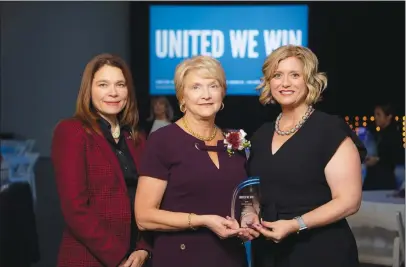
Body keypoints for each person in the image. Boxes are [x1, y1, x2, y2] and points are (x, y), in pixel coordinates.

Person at [246, 45, 366, 267]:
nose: (285, 83)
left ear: (309, 81)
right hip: (269, 253)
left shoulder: (329, 129)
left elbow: (350, 201)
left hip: (321, 251)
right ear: (268, 82)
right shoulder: (261, 135)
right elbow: (259, 192)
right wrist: (251, 217)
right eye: (277, 75)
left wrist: (295, 224)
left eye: (295, 75)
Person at [134, 55, 258, 267]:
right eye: (196, 87)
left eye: (213, 86)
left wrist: (250, 216)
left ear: (223, 92)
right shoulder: (163, 140)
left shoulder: (236, 139)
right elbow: (144, 216)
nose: (206, 95)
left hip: (230, 259)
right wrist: (203, 220)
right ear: (182, 97)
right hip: (181, 257)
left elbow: (246, 197)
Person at [51, 54, 151, 267]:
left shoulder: (136, 137)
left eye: (120, 84)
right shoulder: (72, 132)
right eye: (103, 84)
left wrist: (144, 247)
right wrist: (118, 257)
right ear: (89, 90)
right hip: (89, 258)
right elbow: (75, 208)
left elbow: (150, 200)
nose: (113, 92)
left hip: (136, 259)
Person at [363, 103, 405, 190]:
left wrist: (378, 160)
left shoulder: (394, 135)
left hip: (384, 181)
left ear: (389, 116)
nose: (376, 117)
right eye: (375, 114)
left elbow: (397, 157)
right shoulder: (380, 134)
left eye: (379, 114)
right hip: (378, 179)